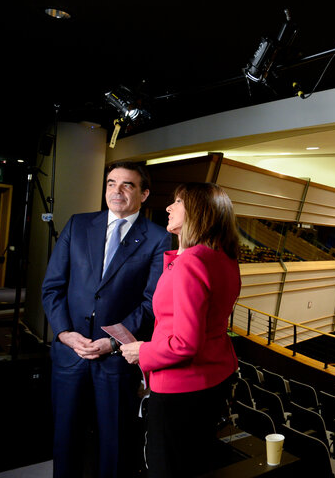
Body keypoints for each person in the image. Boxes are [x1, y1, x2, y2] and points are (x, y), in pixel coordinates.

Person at [41, 161, 170, 478]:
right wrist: (64, 334)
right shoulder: (78, 224)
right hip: (70, 354)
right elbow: (53, 287)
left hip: (116, 359)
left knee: (114, 445)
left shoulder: (158, 238)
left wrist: (112, 342)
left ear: (144, 193)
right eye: (112, 183)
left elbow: (151, 302)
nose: (117, 190)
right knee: (65, 440)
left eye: (127, 185)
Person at [121, 182, 241, 478]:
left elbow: (185, 344)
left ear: (198, 212)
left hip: (180, 388)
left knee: (166, 469)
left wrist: (142, 351)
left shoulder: (191, 263)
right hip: (212, 381)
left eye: (177, 202)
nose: (168, 207)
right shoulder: (224, 259)